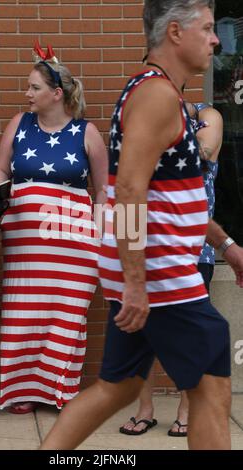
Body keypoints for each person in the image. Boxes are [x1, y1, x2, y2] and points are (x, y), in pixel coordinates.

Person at [41, 0, 243, 450]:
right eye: (208, 28)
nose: (215, 40)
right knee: (211, 382)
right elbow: (128, 191)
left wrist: (227, 245)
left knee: (122, 385)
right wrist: (135, 282)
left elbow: (173, 198)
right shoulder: (156, 95)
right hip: (159, 276)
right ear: (175, 32)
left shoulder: (160, 93)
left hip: (146, 272)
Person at [0, 42, 108, 414]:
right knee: (24, 313)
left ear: (56, 94)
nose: (27, 94)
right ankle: (23, 391)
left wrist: (103, 236)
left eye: (34, 87)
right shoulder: (19, 124)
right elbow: (0, 169)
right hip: (27, 244)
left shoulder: (86, 133)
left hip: (75, 246)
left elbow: (103, 190)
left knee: (67, 315)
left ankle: (59, 390)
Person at [119, 101, 223, 437]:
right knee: (142, 331)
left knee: (187, 334)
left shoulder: (207, 116)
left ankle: (186, 409)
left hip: (193, 248)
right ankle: (145, 409)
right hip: (146, 246)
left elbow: (205, 152)